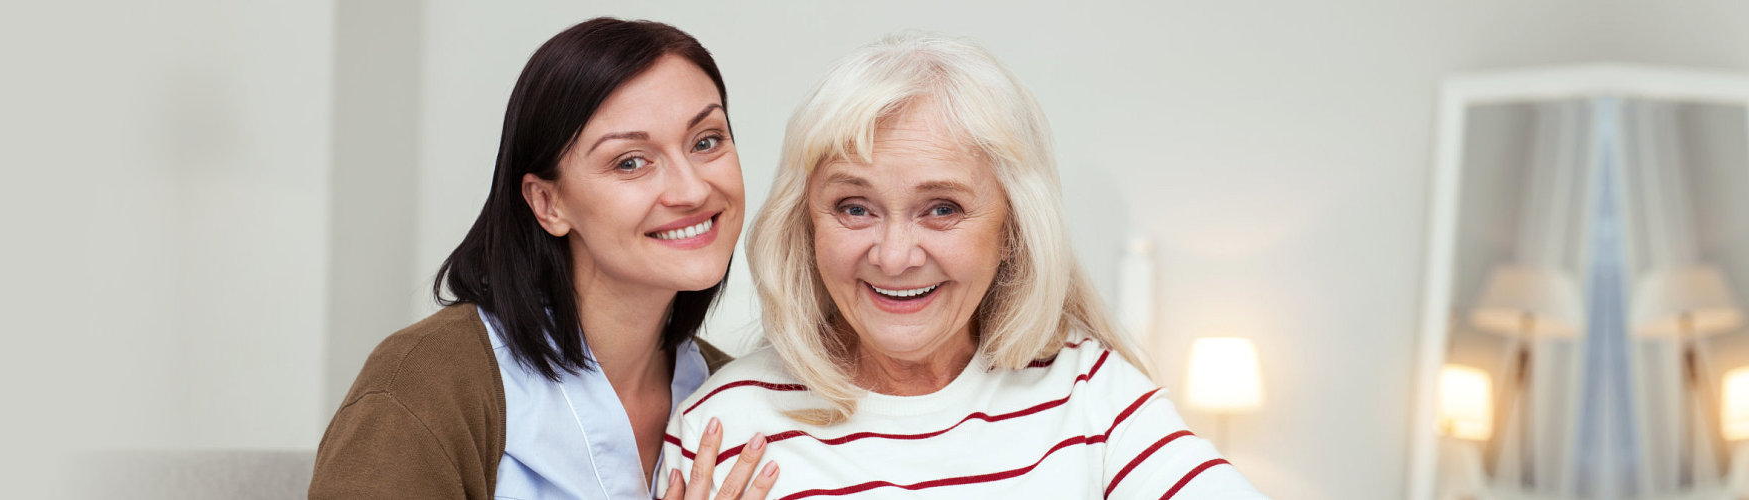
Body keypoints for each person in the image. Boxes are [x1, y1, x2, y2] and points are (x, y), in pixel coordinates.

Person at [659, 33, 1269, 499]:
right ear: (807, 224)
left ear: (1011, 232)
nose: (894, 256)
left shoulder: (1091, 393)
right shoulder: (724, 427)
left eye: (942, 208)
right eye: (854, 207)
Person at [311, 18, 774, 500]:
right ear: (547, 203)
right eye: (630, 161)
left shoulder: (743, 397)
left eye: (706, 141)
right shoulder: (427, 384)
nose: (693, 189)